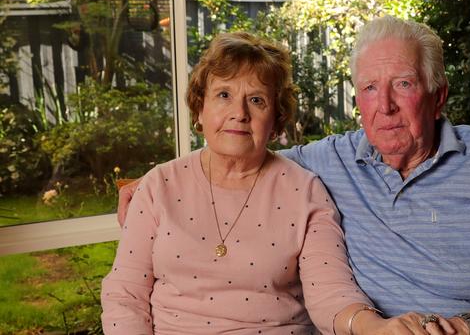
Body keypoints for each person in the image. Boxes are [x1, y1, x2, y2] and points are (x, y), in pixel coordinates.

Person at [119, 17, 470, 334]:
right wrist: (151, 183)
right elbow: (241, 151)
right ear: (357, 100)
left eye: (402, 84)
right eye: (369, 88)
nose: (383, 105)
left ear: (438, 95)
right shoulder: (327, 163)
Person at [102, 32, 442, 335]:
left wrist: (376, 328)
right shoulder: (159, 185)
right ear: (199, 110)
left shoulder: (304, 191)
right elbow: (125, 293)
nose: (239, 113)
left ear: (276, 121)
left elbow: (330, 293)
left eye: (256, 100)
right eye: (223, 95)